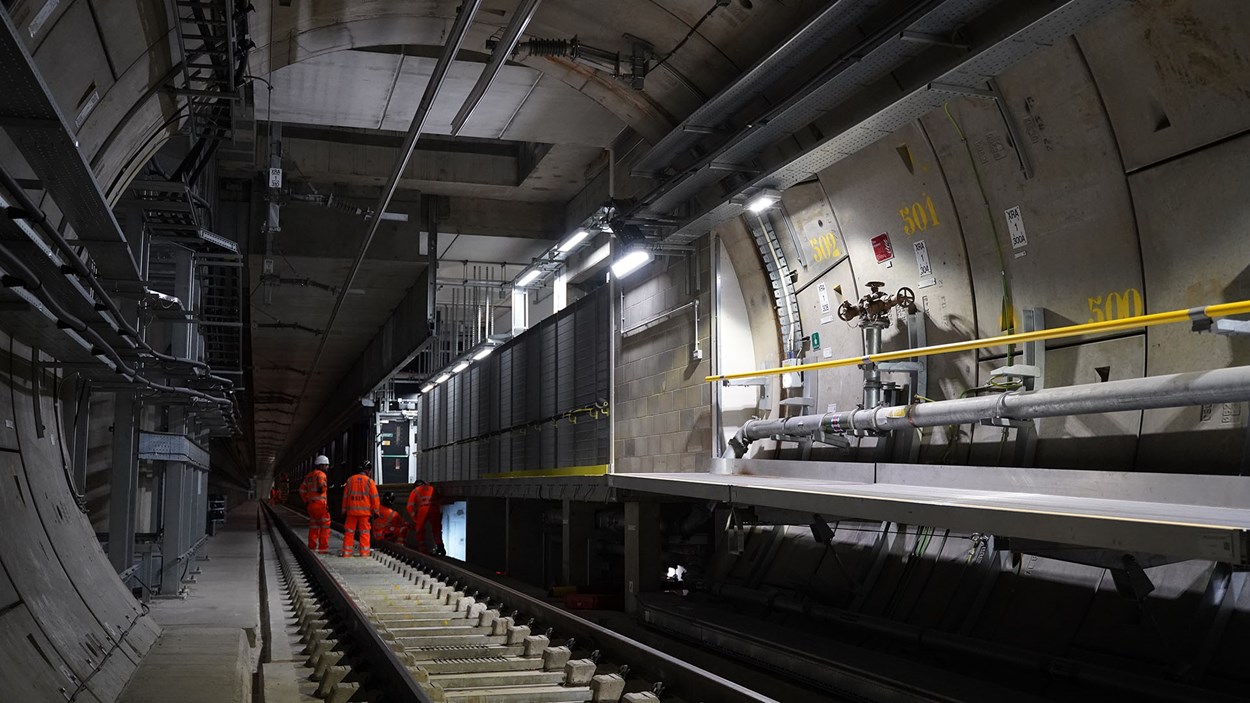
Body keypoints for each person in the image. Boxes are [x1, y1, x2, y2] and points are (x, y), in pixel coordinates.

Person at [340, 462, 380, 557]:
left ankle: (346, 553)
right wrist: (376, 512)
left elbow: (345, 497)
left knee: (349, 533)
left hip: (351, 513)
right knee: (364, 533)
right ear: (367, 470)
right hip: (364, 514)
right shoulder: (369, 482)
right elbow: (375, 498)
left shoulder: (350, 480)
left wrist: (343, 510)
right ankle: (364, 553)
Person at [299, 457, 331, 554]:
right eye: (326, 465)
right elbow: (321, 485)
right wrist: (322, 488)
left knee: (314, 526)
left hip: (311, 505)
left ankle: (312, 547)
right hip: (320, 505)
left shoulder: (308, 476)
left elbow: (301, 490)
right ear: (321, 465)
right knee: (325, 526)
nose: (327, 468)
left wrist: (306, 500)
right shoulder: (321, 474)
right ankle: (323, 549)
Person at [405, 480, 446, 556]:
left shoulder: (415, 491)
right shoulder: (431, 488)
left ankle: (422, 548)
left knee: (419, 529)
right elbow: (440, 499)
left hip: (423, 509)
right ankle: (440, 547)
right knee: (436, 529)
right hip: (434, 508)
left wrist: (415, 518)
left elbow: (409, 507)